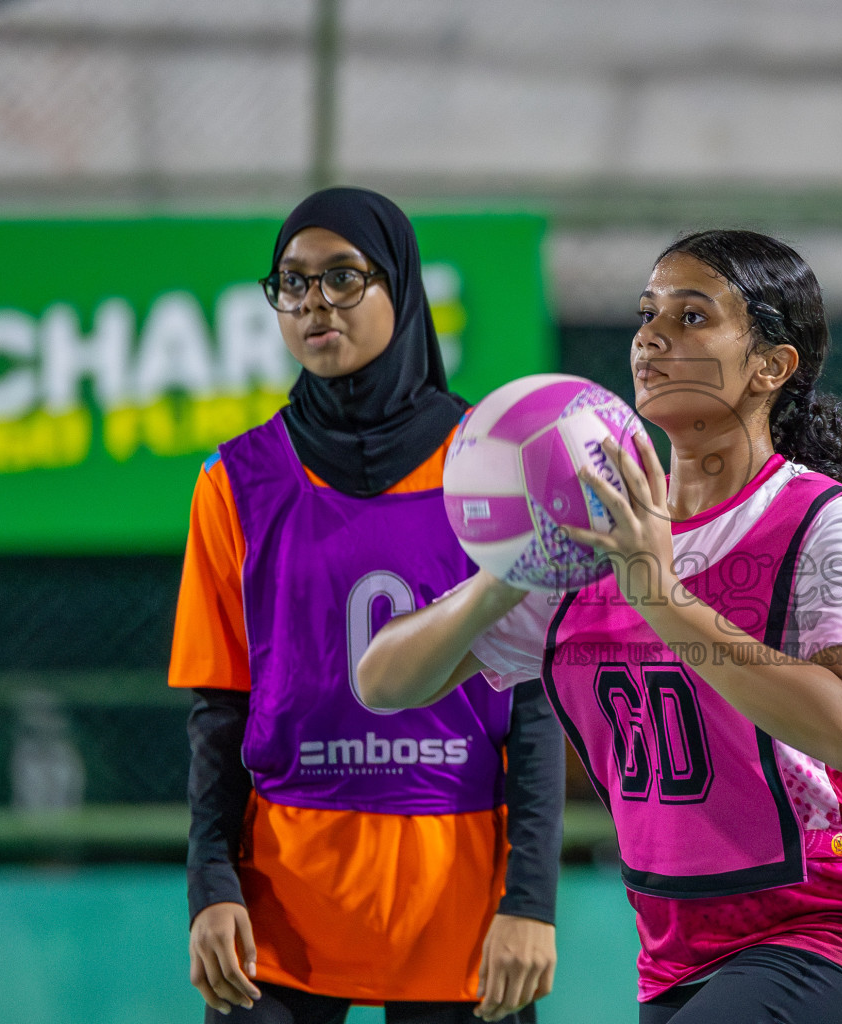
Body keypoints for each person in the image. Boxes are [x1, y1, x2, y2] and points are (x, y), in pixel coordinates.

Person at [355, 229, 842, 1023]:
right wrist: (505, 578)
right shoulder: (586, 540)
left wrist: (658, 593)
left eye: (693, 317)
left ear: (770, 366)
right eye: (646, 315)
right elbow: (384, 683)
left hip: (838, 921)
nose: (652, 338)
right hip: (678, 942)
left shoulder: (825, 524)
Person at [168, 187, 563, 1024]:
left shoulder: (489, 467)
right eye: (293, 283)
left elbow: (533, 710)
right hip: (283, 901)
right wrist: (209, 887)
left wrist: (530, 901)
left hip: (455, 896)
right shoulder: (234, 482)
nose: (315, 304)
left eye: (343, 278)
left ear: (402, 288)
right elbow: (219, 712)